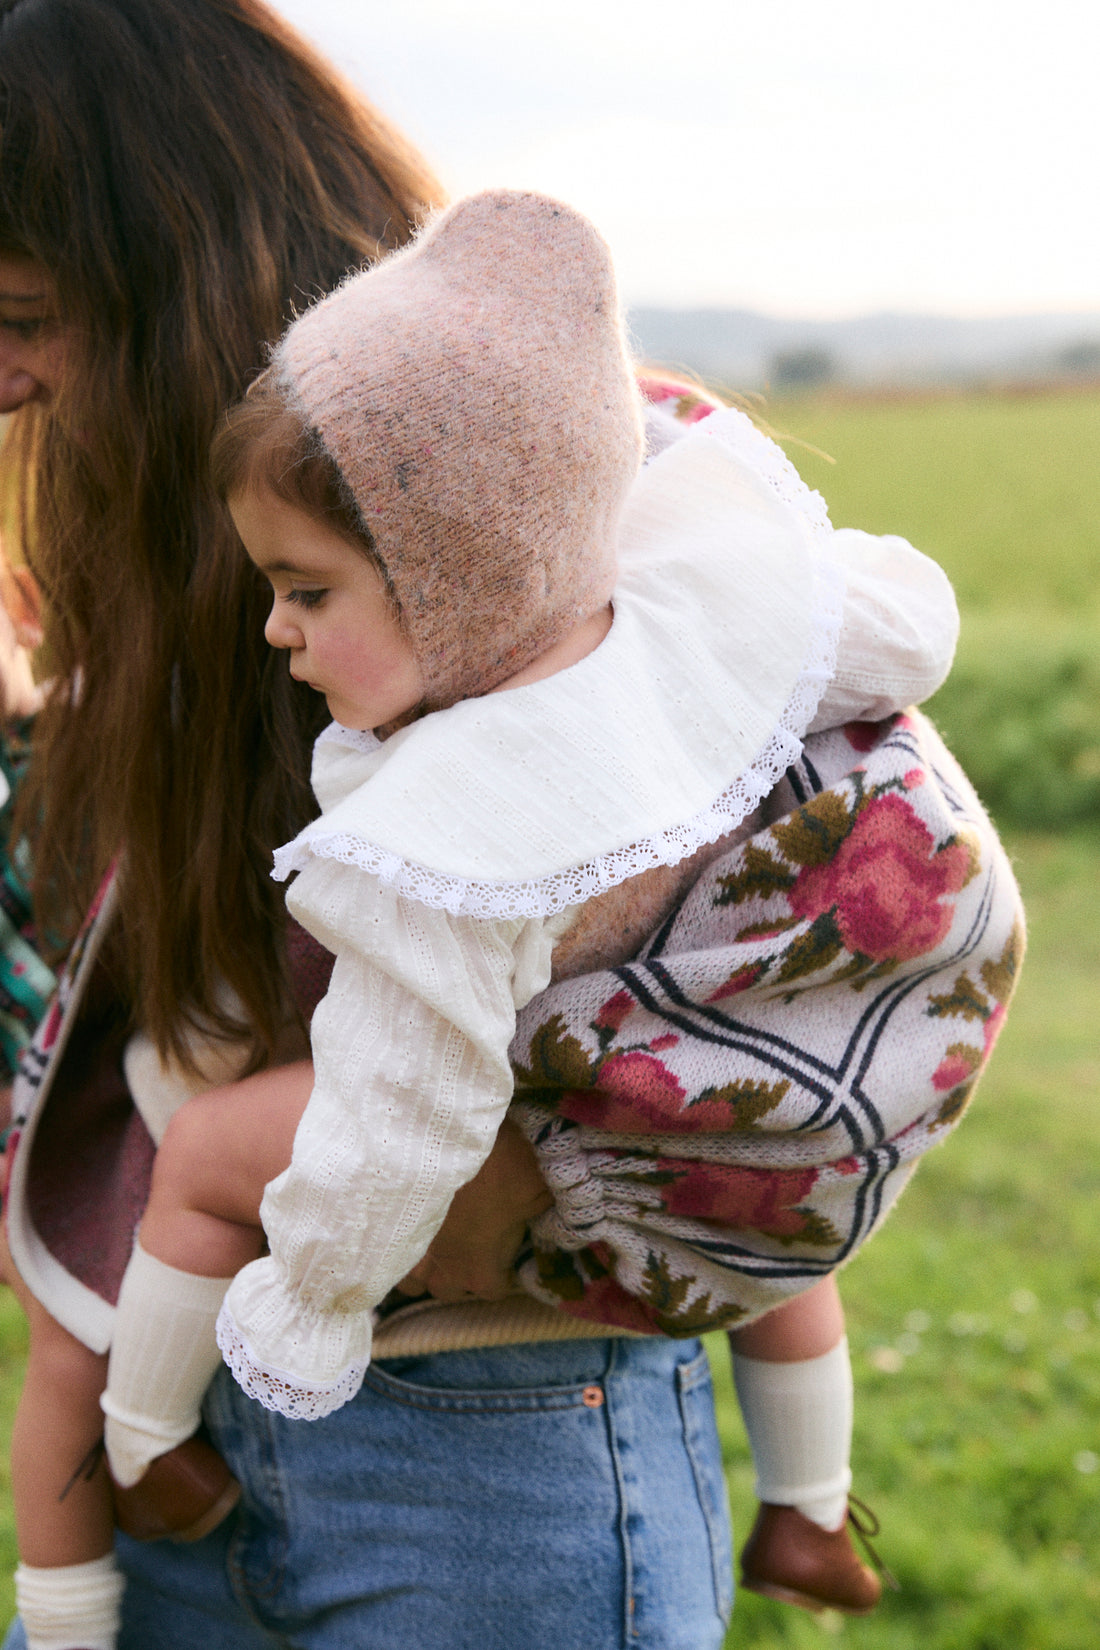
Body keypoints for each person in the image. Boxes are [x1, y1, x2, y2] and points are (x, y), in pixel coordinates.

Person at [0, 4, 1024, 1647]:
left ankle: (812, 1505)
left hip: (485, 1447)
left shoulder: (502, 488)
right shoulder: (211, 511)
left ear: (163, 261)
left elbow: (845, 923)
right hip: (199, 1402)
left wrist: (542, 1165)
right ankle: (810, 1501)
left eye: (24, 314)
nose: (6, 379)